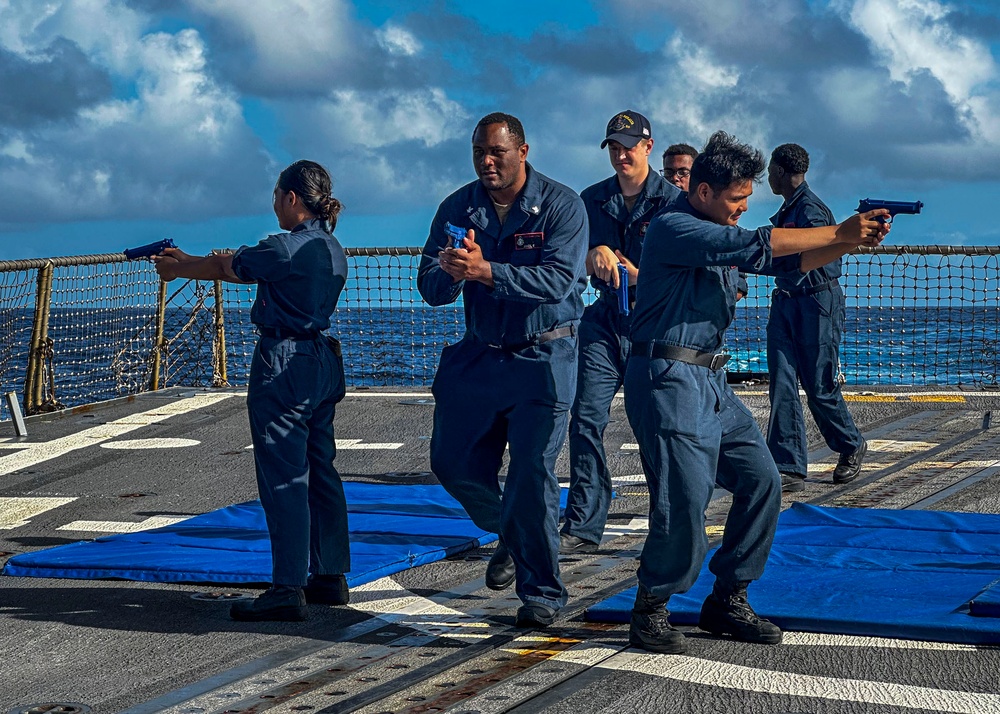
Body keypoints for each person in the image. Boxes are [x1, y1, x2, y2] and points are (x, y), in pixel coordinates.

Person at [623, 131, 888, 654]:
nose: (745, 208)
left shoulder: (717, 225)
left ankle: (728, 596)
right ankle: (650, 606)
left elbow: (779, 263)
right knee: (685, 498)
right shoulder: (675, 227)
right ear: (702, 191)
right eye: (736, 200)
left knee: (763, 480)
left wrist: (846, 243)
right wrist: (837, 228)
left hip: (710, 381)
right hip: (667, 379)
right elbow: (757, 245)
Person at [154, 160, 352, 622]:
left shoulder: (285, 248)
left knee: (283, 474)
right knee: (321, 469)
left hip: (285, 361)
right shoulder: (334, 247)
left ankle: (287, 586)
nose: (273, 204)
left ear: (290, 198)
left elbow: (230, 266)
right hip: (322, 359)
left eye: (276, 196)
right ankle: (330, 575)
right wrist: (185, 261)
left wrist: (178, 269)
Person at [417, 112, 588, 628]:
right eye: (479, 154)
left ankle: (542, 595)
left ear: (523, 151)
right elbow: (429, 286)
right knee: (451, 463)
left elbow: (559, 280)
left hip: (543, 357)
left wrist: (486, 271)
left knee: (531, 473)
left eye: (497, 152)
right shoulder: (457, 206)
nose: (487, 162)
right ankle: (513, 536)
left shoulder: (563, 205)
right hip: (481, 355)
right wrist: (450, 272)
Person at [560, 111, 680, 554]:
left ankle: (667, 520)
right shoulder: (589, 201)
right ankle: (583, 525)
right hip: (605, 320)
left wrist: (640, 274)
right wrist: (593, 252)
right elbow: (566, 258)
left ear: (649, 147)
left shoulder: (673, 202)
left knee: (657, 426)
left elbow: (689, 267)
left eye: (628, 145)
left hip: (655, 325)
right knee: (586, 418)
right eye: (613, 146)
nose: (620, 153)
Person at [765, 143, 868, 492]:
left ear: (779, 171)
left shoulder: (812, 211)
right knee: (781, 382)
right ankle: (788, 463)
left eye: (769, 171)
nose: (767, 178)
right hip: (786, 302)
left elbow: (828, 260)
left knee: (819, 387)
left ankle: (851, 445)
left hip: (816, 304)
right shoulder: (790, 209)